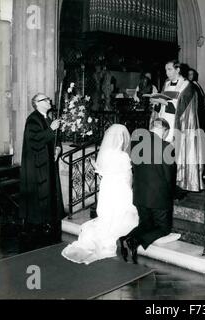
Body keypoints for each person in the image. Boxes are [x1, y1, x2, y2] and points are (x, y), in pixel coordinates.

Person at [62, 124, 139, 264]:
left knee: (107, 212)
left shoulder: (106, 154)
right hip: (119, 188)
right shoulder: (122, 156)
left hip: (107, 187)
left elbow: (101, 171)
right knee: (121, 213)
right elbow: (128, 176)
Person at [121, 118, 176, 264]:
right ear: (164, 131)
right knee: (164, 228)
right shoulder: (166, 147)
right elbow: (169, 176)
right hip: (158, 196)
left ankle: (124, 239)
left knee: (145, 224)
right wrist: (173, 194)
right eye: (166, 133)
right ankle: (134, 241)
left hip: (140, 194)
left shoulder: (136, 143)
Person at [149, 59, 204, 193]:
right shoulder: (166, 84)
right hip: (164, 122)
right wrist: (156, 101)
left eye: (169, 69)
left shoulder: (187, 86)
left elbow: (188, 109)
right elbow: (161, 102)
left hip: (179, 124)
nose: (167, 73)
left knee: (176, 154)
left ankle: (178, 182)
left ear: (177, 70)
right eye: (166, 70)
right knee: (162, 152)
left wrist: (170, 104)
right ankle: (163, 180)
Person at [19, 93, 65, 250]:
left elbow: (55, 139)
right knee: (41, 194)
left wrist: (58, 148)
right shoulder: (33, 119)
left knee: (50, 193)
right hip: (38, 165)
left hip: (48, 163)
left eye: (48, 99)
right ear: (37, 103)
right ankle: (38, 226)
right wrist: (51, 130)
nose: (49, 101)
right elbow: (35, 140)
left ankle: (48, 223)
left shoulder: (48, 118)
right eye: (45, 99)